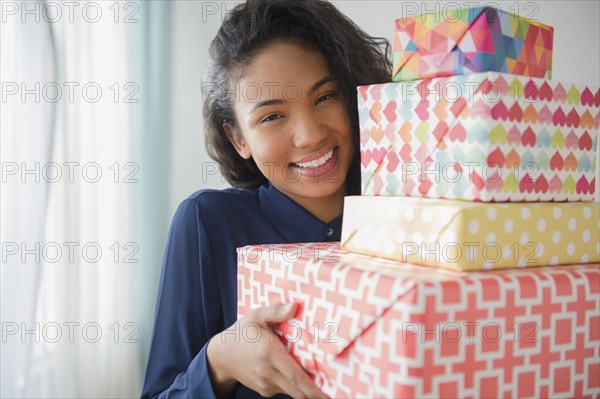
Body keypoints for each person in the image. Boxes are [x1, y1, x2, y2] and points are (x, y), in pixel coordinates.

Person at [141, 0, 390, 397]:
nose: (310, 135)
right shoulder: (208, 223)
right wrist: (218, 361)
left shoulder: (408, 213)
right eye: (273, 116)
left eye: (325, 97)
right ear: (238, 138)